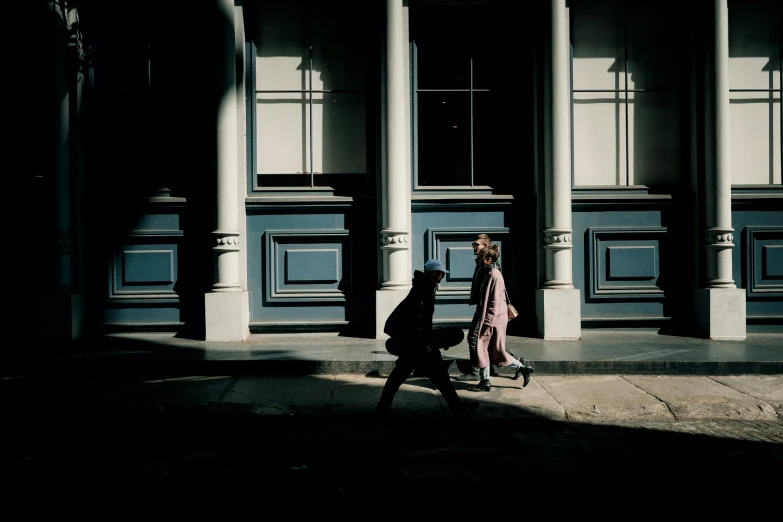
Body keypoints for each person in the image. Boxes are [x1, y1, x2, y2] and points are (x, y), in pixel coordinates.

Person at [375, 259, 479, 416]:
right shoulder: (426, 288)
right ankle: (458, 408)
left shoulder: (423, 285)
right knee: (435, 375)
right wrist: (426, 342)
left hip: (415, 339)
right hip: (418, 341)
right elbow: (421, 318)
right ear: (435, 273)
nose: (443, 276)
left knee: (405, 373)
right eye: (441, 273)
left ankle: (382, 407)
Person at [468, 245, 533, 392]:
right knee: (490, 349)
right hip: (493, 317)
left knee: (484, 347)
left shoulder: (494, 275)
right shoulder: (490, 272)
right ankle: (521, 369)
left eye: (480, 258)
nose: (478, 260)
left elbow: (496, 301)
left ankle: (486, 382)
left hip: (493, 318)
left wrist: (488, 320)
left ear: (488, 259)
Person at [453, 233, 517, 381]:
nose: (473, 247)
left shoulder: (490, 265)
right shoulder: (482, 262)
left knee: (475, 337)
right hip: (482, 307)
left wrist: (488, 314)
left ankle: (476, 371)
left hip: (487, 310)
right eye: (473, 244)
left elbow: (495, 293)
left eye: (476, 244)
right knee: (490, 342)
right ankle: (517, 363)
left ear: (486, 246)